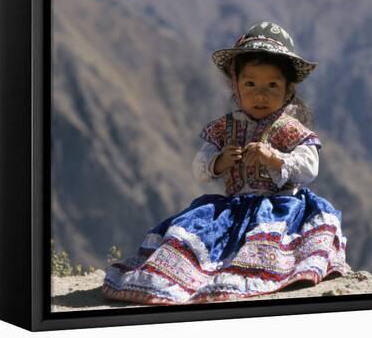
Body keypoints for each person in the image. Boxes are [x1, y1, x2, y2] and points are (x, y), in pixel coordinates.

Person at [102, 21, 348, 305]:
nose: (260, 95)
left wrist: (276, 158)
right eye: (250, 84)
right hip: (232, 209)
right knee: (191, 243)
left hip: (281, 208)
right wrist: (219, 163)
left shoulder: (290, 129)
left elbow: (309, 168)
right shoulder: (224, 128)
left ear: (288, 90)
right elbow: (200, 167)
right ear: (236, 86)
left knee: (267, 251)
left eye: (272, 85)